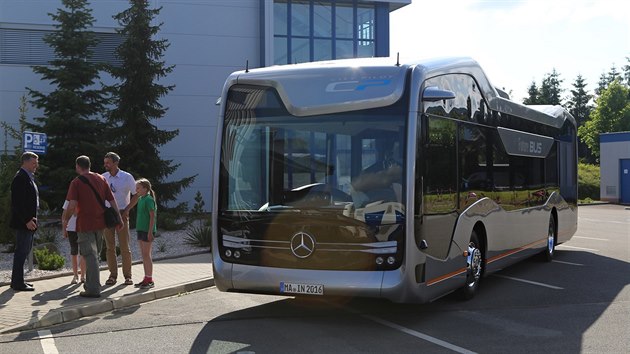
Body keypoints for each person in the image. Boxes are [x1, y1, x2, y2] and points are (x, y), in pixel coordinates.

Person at [64, 155, 122, 298]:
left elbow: (71, 205)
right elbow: (112, 199)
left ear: (78, 166)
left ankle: (93, 288)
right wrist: (119, 218)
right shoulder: (101, 179)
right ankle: (92, 284)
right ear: (89, 165)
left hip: (85, 224)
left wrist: (65, 221)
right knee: (94, 255)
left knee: (89, 255)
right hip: (100, 223)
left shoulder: (76, 182)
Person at [102, 152, 137, 286]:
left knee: (124, 246)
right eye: (105, 162)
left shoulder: (127, 177)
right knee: (109, 247)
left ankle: (128, 276)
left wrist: (127, 209)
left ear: (116, 163)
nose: (105, 165)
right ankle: (112, 275)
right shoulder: (103, 177)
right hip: (107, 213)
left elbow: (136, 195)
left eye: (108, 162)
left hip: (122, 213)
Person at [9, 152, 39, 292]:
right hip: (24, 222)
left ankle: (18, 280)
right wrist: (27, 220)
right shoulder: (20, 178)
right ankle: (17, 283)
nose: (36, 166)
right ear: (25, 162)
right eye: (34, 163)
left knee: (24, 250)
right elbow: (18, 203)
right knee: (21, 251)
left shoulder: (27, 177)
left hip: (29, 221)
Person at [133, 178, 157, 289]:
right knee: (144, 255)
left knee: (147, 255)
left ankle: (150, 279)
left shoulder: (148, 199)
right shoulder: (141, 199)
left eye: (138, 188)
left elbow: (152, 216)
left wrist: (150, 232)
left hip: (147, 231)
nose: (136, 190)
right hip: (141, 229)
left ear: (145, 188)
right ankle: (146, 278)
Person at [62, 200, 86, 284]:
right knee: (74, 252)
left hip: (83, 228)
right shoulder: (68, 200)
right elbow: (64, 215)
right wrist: (64, 229)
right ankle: (75, 276)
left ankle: (83, 275)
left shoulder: (84, 197)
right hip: (71, 229)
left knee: (83, 252)